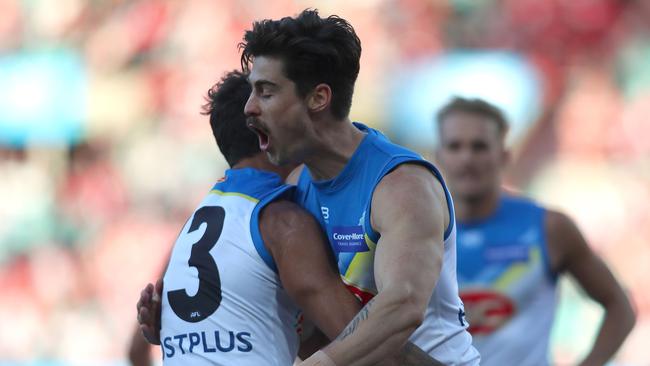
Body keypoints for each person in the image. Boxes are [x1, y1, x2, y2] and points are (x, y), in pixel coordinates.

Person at [136, 70, 440, 365]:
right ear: (262, 129)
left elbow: (304, 339)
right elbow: (369, 346)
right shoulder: (282, 222)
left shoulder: (197, 220)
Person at [240, 9, 480, 366]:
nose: (249, 108)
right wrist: (175, 317)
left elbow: (402, 306)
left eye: (266, 92)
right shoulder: (297, 187)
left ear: (318, 98)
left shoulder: (402, 185)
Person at [434, 97, 636, 366]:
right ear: (439, 156)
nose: (467, 158)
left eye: (479, 146)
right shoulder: (415, 232)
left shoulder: (549, 228)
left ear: (504, 155)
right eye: (455, 146)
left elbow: (620, 307)